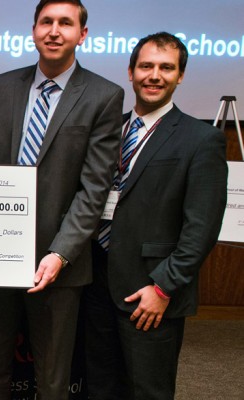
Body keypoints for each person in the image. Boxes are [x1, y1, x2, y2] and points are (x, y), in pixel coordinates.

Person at [0, 1, 124, 398]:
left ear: (82, 34)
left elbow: (95, 189)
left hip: (60, 261)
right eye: (46, 22)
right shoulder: (3, 86)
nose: (54, 31)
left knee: (53, 378)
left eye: (65, 23)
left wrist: (59, 254)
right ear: (34, 29)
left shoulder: (104, 96)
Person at [84, 32, 228, 400]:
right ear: (130, 71)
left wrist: (164, 286)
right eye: (146, 66)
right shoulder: (109, 130)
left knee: (148, 390)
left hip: (149, 291)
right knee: (99, 387)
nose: (155, 75)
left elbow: (202, 227)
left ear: (180, 76)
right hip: (95, 280)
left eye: (167, 68)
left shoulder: (201, 139)